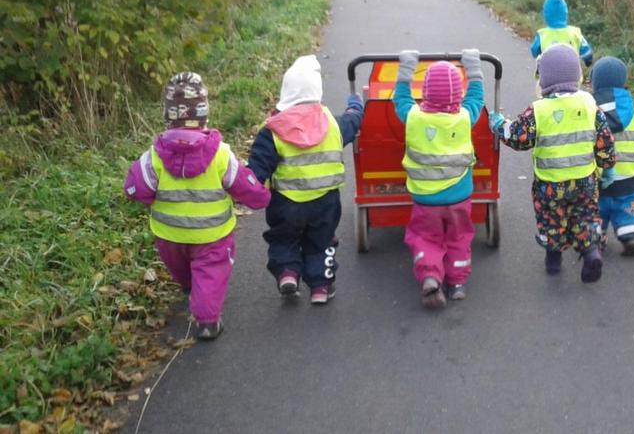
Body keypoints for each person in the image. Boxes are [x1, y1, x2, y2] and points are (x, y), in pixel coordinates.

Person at [124, 72, 270, 340]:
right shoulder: (220, 154)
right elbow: (243, 184)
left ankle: (190, 287)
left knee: (182, 268)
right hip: (211, 234)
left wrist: (145, 198)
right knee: (211, 271)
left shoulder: (155, 154)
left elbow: (136, 186)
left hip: (169, 234)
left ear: (168, 115)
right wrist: (261, 196)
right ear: (203, 113)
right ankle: (207, 321)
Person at [490, 43, 615, 282]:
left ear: (544, 78)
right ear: (577, 75)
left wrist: (499, 125)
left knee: (551, 218)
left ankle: (554, 259)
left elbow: (517, 137)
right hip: (585, 180)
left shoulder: (539, 110)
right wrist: (607, 165)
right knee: (585, 215)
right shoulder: (589, 103)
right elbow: (604, 140)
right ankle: (590, 252)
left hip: (549, 184)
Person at [247, 56, 364, 305]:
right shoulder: (331, 123)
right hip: (326, 202)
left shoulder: (273, 131)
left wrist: (249, 188)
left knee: (283, 238)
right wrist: (355, 106)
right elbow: (352, 123)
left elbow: (258, 166)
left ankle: (287, 273)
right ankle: (321, 287)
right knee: (322, 242)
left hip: (286, 202)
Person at [393, 49, 486, 308]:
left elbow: (400, 98)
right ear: (458, 94)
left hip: (425, 197)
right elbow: (477, 96)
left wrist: (407, 67)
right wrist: (472, 66)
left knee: (426, 237)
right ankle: (457, 282)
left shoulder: (413, 118)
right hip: (459, 196)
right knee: (459, 237)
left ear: (425, 92)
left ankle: (431, 275)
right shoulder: (465, 118)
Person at [590, 57, 634, 256]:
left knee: (595, 206)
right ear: (624, 82)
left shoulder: (588, 110)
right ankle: (631, 231)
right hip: (630, 177)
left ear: (595, 82)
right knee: (630, 202)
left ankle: (595, 235)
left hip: (597, 177)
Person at [530, 0, 594, 67]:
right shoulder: (575, 33)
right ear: (565, 12)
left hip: (549, 76)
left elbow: (534, 51)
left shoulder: (542, 35)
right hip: (572, 74)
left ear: (546, 15)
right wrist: (588, 61)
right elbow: (586, 52)